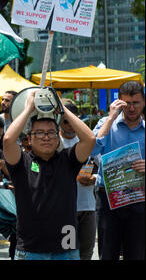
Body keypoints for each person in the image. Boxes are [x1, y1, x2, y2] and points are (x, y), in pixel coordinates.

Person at [3, 90, 95, 260]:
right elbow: (8, 140)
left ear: (58, 138)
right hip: (30, 250)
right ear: (29, 139)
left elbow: (89, 139)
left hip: (66, 249)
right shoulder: (21, 163)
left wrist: (62, 108)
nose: (46, 137)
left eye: (51, 132)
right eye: (39, 133)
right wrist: (28, 108)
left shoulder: (68, 159)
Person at [91, 80, 145, 260]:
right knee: (108, 251)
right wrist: (110, 118)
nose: (131, 108)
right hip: (108, 196)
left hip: (139, 197)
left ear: (143, 102)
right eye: (126, 103)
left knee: (137, 251)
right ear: (118, 102)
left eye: (136, 103)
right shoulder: (106, 124)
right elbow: (92, 150)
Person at [60, 99, 97, 260]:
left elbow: (101, 165)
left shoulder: (87, 140)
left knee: (87, 252)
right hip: (65, 209)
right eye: (65, 122)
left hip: (88, 206)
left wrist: (95, 177)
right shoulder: (54, 142)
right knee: (67, 252)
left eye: (73, 121)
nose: (70, 125)